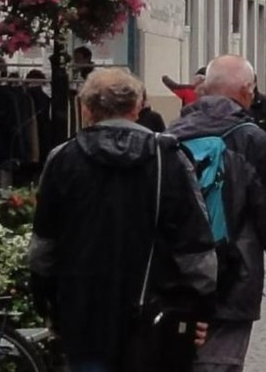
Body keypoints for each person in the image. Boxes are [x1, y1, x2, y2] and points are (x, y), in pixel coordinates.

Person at [30, 68, 218, 371]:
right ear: (136, 108)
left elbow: (43, 249)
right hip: (155, 320)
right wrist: (201, 307)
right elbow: (196, 249)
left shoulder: (63, 159)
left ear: (86, 109)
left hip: (83, 316)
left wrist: (47, 300)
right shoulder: (168, 158)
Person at [168, 56, 266, 369]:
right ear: (247, 91)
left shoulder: (170, 136)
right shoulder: (253, 141)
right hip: (232, 278)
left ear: (205, 89)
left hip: (175, 279)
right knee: (220, 362)